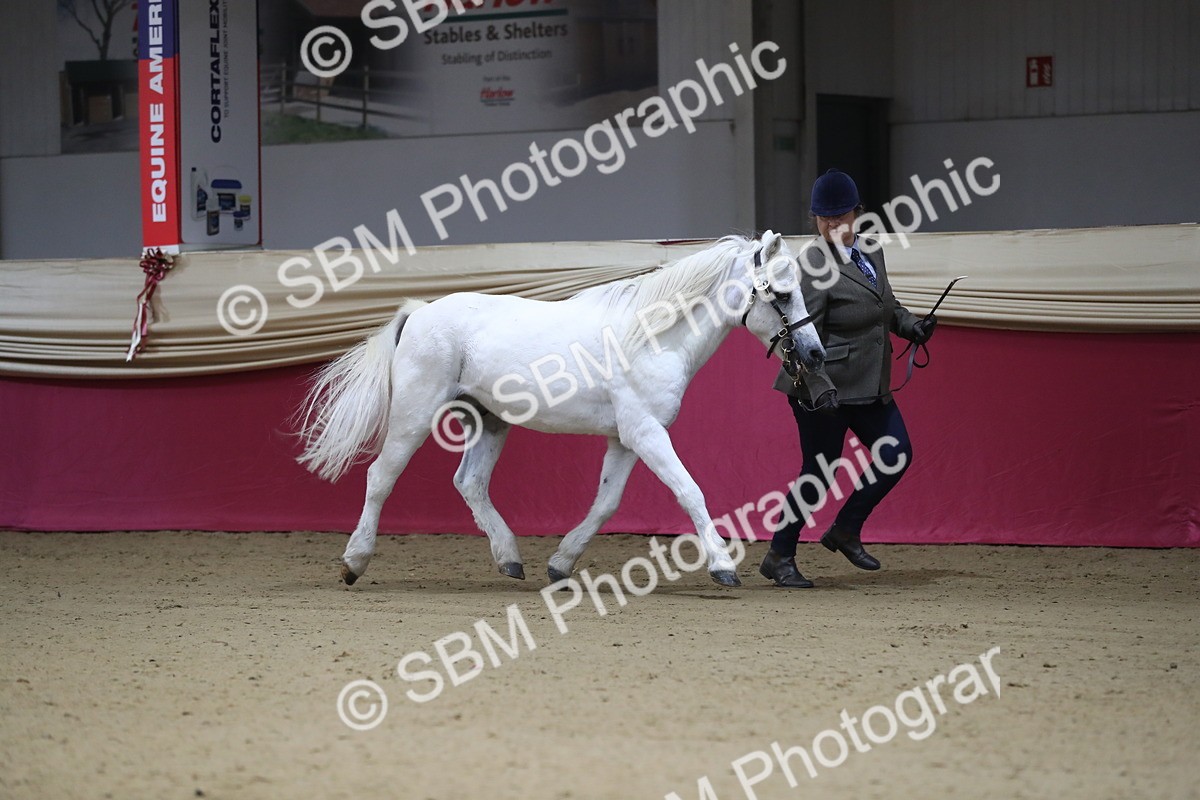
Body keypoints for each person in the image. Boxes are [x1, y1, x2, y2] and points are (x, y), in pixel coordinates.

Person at [758, 169, 937, 588]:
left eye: (840, 216)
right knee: (819, 474)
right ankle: (779, 556)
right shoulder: (812, 265)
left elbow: (885, 305)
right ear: (815, 219)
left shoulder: (871, 250)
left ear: (857, 213)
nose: (833, 225)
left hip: (868, 384)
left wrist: (911, 326)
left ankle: (845, 529)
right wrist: (818, 386)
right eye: (825, 219)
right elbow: (799, 336)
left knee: (896, 453)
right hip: (822, 387)